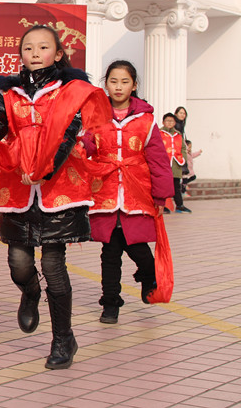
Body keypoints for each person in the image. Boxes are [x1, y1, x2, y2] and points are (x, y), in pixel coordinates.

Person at [0, 25, 110, 370]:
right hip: (17, 185)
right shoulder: (10, 92)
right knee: (19, 263)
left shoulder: (72, 90)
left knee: (53, 264)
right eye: (28, 47)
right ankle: (29, 293)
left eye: (43, 47)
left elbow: (69, 131)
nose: (34, 52)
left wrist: (48, 166)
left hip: (59, 185)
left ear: (58, 54)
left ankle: (63, 340)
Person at [83, 60, 173, 324]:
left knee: (138, 247)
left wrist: (161, 195)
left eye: (124, 82)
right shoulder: (94, 117)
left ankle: (147, 276)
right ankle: (110, 303)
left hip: (137, 193)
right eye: (113, 81)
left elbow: (158, 160)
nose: (118, 87)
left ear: (134, 85)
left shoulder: (146, 121)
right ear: (105, 84)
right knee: (110, 252)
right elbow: (85, 150)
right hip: (104, 192)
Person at [160, 113, 190, 213]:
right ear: (163, 122)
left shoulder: (178, 135)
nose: (169, 123)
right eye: (167, 121)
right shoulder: (158, 133)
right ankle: (161, 206)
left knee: (176, 186)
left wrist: (183, 159)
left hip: (176, 163)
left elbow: (183, 148)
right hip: (163, 164)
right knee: (162, 186)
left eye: (172, 121)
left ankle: (179, 205)